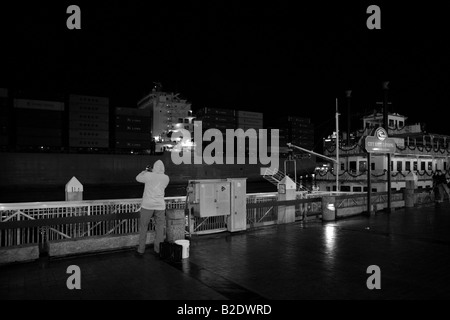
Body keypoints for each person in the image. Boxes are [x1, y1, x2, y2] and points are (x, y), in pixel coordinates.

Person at [135, 160, 170, 256]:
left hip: (147, 205)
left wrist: (145, 171)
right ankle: (158, 250)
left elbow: (137, 178)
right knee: (159, 228)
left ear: (154, 167)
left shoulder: (148, 175)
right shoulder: (166, 178)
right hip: (160, 206)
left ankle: (141, 250)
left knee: (143, 227)